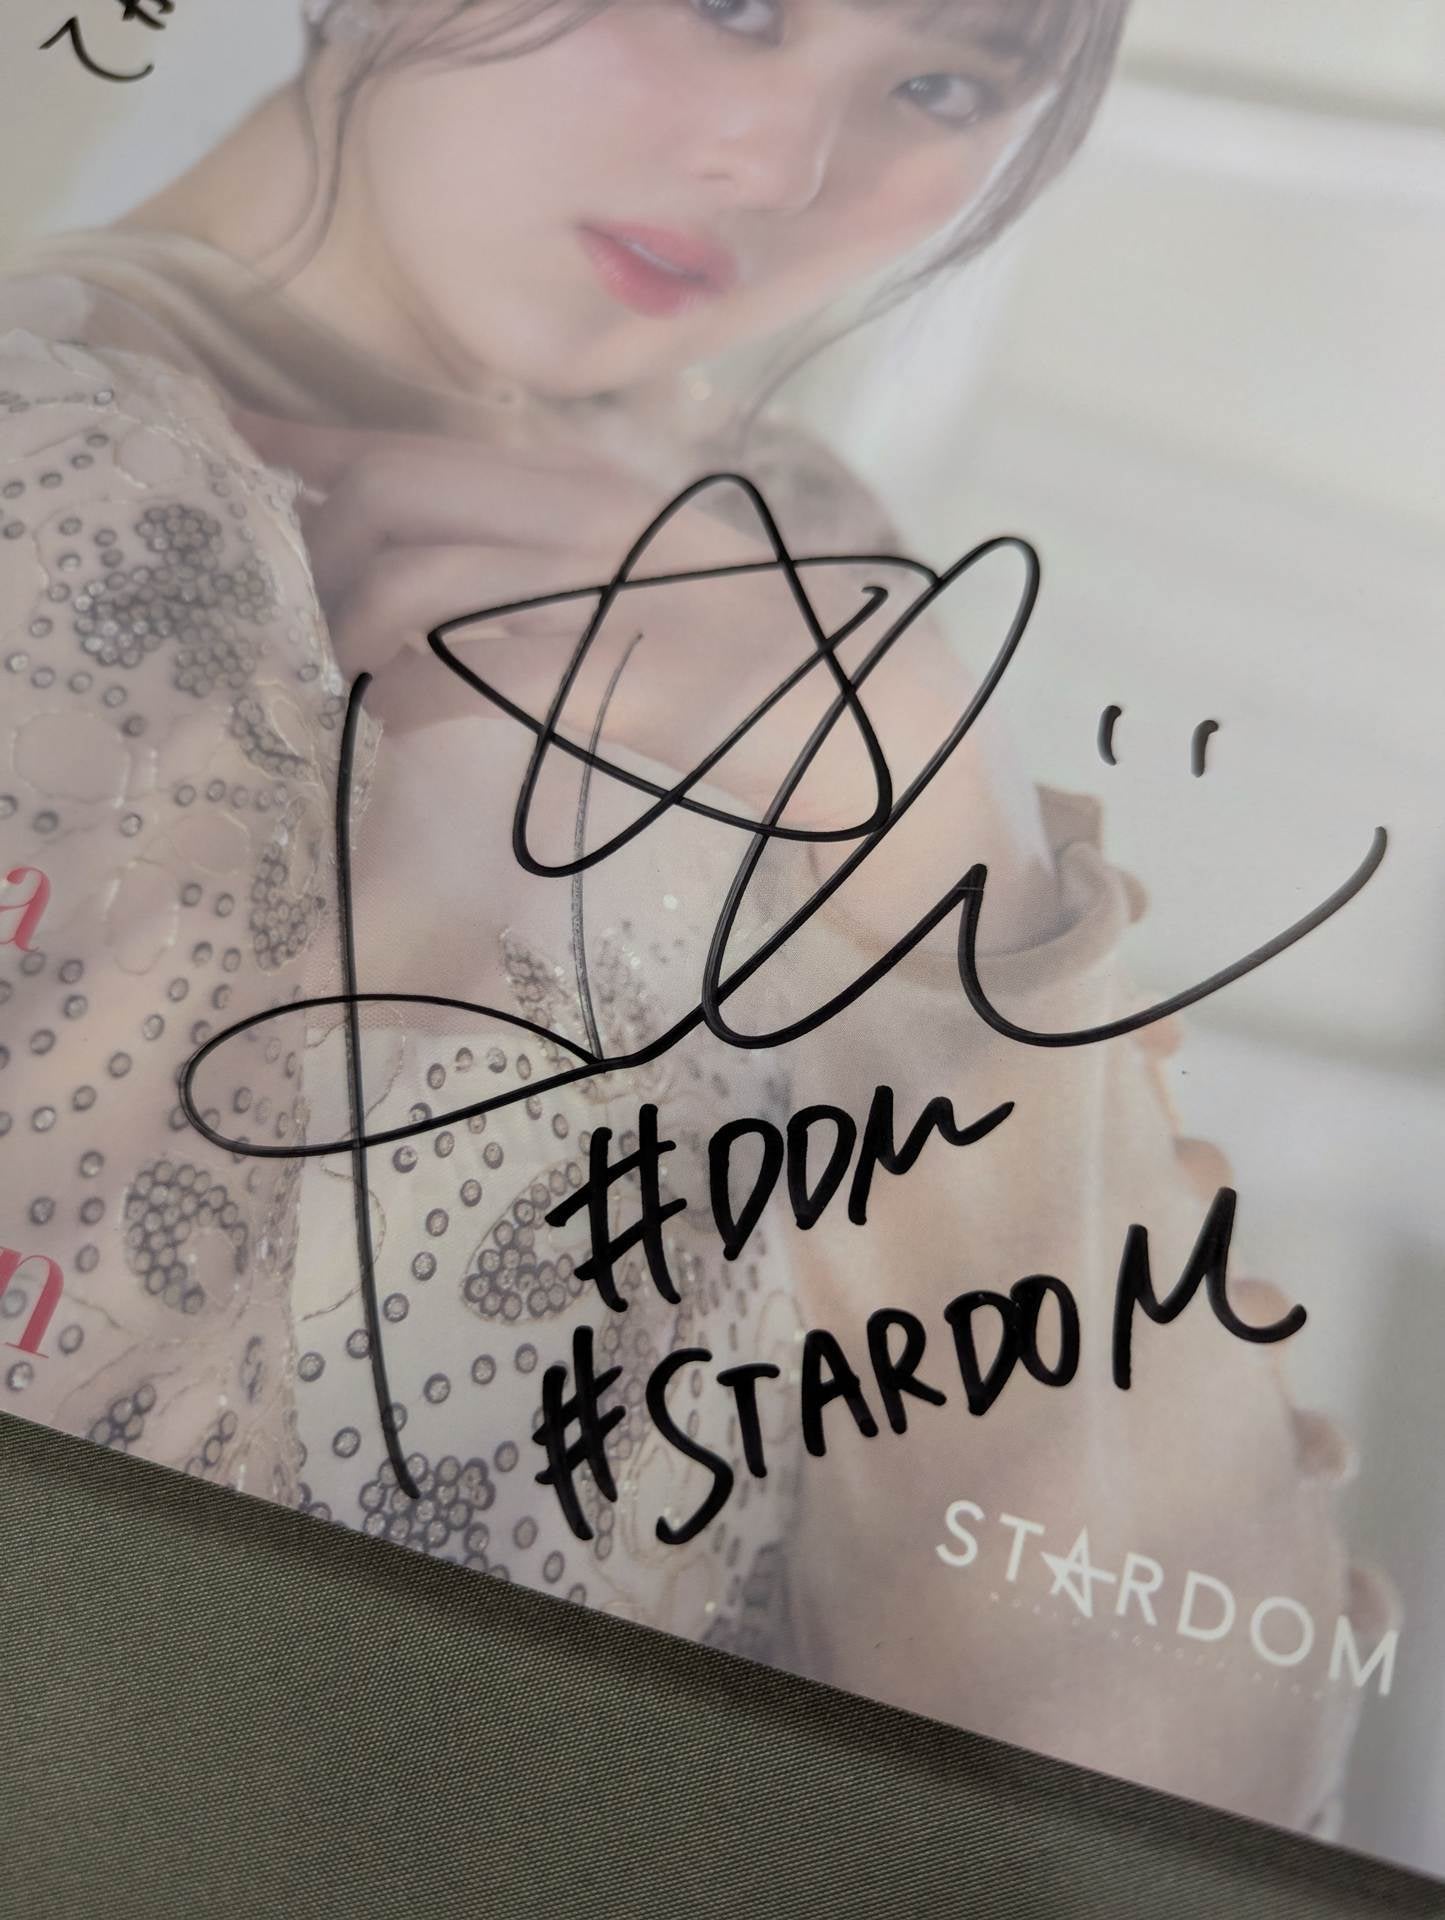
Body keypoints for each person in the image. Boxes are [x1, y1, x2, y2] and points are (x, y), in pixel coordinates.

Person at [0, 0, 1391, 1833]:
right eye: (732, 3)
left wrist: (935, 839)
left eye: (942, 82)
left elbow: (1181, 1784)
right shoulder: (71, 493)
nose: (784, 167)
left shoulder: (796, 543)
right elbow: (99, 1707)